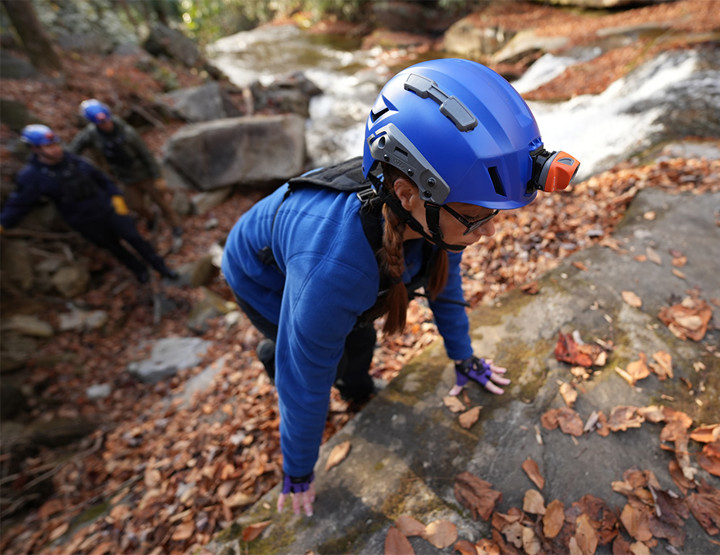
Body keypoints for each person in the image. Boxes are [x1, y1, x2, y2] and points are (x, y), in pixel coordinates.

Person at [220, 58, 580, 517]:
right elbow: (303, 381)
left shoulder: (440, 209)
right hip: (259, 271)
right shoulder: (335, 270)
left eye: (494, 215)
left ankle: (355, 390)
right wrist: (299, 470)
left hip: (327, 261)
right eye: (477, 217)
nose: (488, 232)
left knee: (356, 335)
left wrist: (463, 357)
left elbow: (443, 287)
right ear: (408, 193)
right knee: (322, 351)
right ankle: (279, 352)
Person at [0, 124, 179, 284]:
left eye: (55, 144)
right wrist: (3, 223)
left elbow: (104, 180)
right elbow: (19, 203)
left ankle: (160, 267)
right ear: (35, 149)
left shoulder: (76, 161)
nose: (55, 150)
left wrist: (117, 199)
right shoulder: (32, 177)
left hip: (109, 211)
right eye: (49, 146)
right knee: (114, 248)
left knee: (135, 238)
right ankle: (139, 270)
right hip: (85, 222)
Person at [68, 99, 183, 245]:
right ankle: (151, 218)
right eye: (101, 123)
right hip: (125, 178)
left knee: (162, 202)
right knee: (135, 205)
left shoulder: (127, 133)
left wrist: (157, 177)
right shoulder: (92, 134)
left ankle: (176, 226)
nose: (106, 124)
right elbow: (75, 147)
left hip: (144, 174)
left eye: (106, 120)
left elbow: (146, 154)